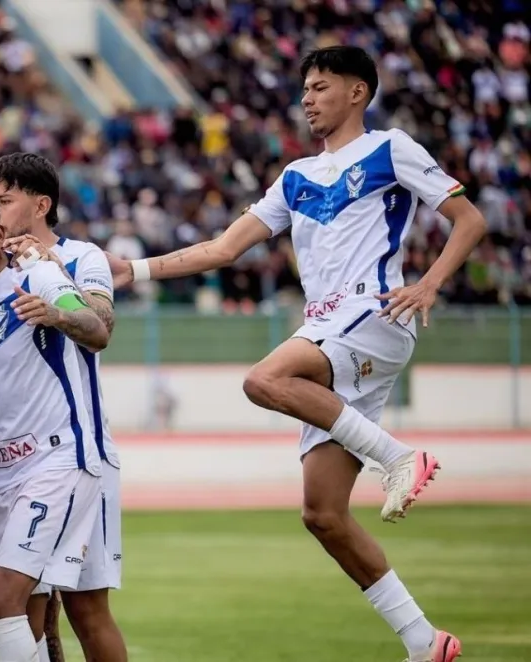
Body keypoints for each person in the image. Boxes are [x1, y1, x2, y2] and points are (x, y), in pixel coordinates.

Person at [108, 46, 487, 662]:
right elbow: (224, 249)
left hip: (371, 312)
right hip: (330, 332)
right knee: (323, 514)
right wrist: (137, 268)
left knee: (263, 379)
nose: (307, 98)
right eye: (304, 88)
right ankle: (425, 642)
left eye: (320, 86)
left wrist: (429, 282)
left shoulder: (391, 148)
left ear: (357, 92)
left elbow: (468, 219)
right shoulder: (294, 177)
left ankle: (400, 458)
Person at [0, 186, 107, 662]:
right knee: (24, 615)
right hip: (2, 474)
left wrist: (54, 314)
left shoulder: (39, 276)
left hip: (58, 460)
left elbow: (96, 330)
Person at [0, 152, 127, 662]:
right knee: (29, 605)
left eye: (4, 200)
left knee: (87, 607)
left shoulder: (83, 257)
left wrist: (53, 285)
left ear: (41, 204)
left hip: (81, 451)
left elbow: (100, 323)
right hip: (16, 459)